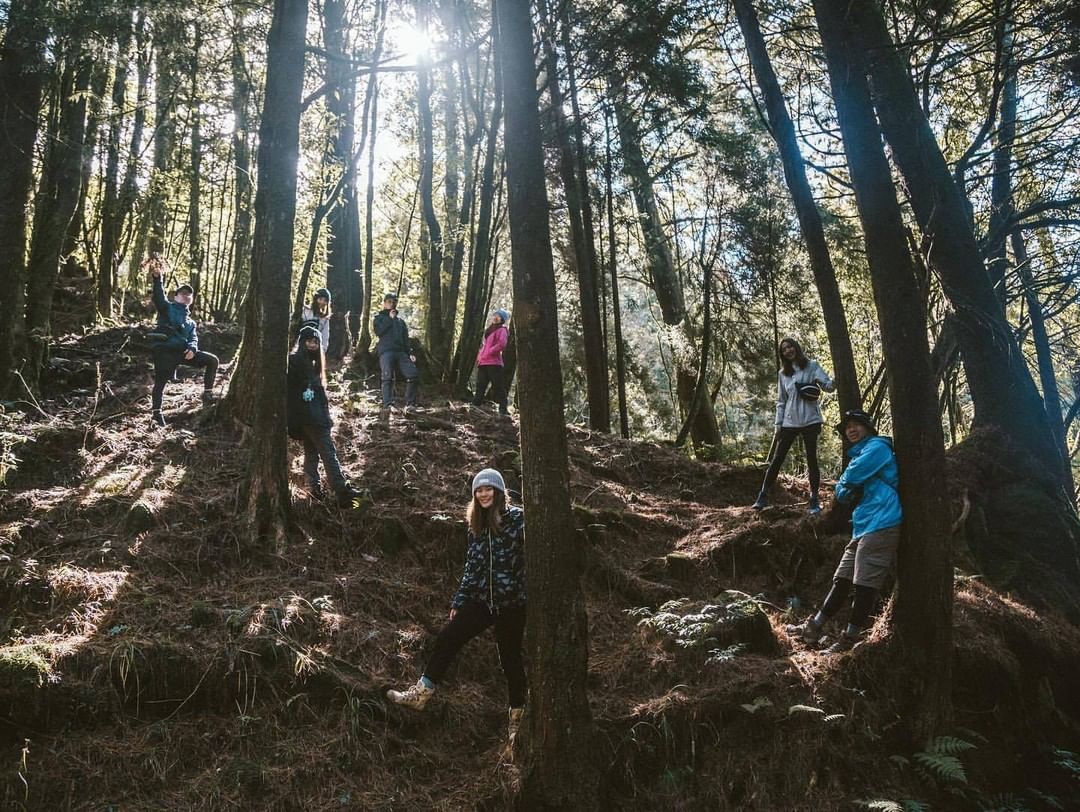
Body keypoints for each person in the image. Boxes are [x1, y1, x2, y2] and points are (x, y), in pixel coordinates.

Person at [386, 468, 526, 753]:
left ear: (499, 492)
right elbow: (471, 568)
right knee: (448, 637)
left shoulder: (518, 519)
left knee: (510, 660)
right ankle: (422, 693)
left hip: (511, 603)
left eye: (488, 489)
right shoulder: (475, 524)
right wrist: (459, 601)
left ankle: (517, 719)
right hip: (481, 602)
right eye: (479, 490)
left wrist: (523, 592)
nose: (483, 494)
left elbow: (530, 559)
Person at [785, 410, 902, 654]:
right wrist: (846, 486)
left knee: (864, 584)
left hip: (883, 521)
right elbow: (843, 493)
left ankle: (849, 639)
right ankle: (814, 626)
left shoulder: (878, 447)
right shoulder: (861, 453)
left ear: (868, 427)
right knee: (843, 578)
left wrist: (846, 482)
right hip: (863, 524)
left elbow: (851, 477)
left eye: (856, 424)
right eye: (847, 426)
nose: (851, 429)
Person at [752, 338, 836, 514]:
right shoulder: (783, 374)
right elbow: (781, 401)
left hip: (811, 420)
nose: (788, 350)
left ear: (796, 347)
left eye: (790, 346)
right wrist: (778, 424)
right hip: (790, 422)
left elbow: (828, 387)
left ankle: (814, 499)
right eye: (784, 349)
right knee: (778, 458)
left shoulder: (812, 366)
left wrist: (836, 378)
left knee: (812, 459)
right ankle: (762, 495)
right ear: (782, 354)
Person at [287, 324, 362, 505]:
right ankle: (342, 491)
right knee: (328, 452)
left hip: (314, 417)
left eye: (315, 342)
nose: (312, 345)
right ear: (302, 342)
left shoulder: (314, 366)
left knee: (312, 453)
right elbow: (293, 392)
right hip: (309, 417)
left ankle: (313, 489)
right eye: (309, 341)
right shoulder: (295, 362)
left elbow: (319, 395)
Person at [146, 256, 219, 427]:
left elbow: (193, 337)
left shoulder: (191, 322)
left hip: (183, 352)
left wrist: (193, 348)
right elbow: (158, 295)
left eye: (189, 294)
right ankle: (156, 413)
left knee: (212, 360)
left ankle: (207, 393)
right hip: (164, 350)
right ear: (176, 296)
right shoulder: (167, 308)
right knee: (161, 382)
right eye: (182, 293)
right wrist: (157, 278)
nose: (186, 296)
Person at [373, 292, 419, 416]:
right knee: (387, 377)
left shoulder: (400, 322)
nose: (391, 304)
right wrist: (389, 318)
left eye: (394, 302)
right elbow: (379, 331)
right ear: (384, 303)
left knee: (413, 374)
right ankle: (388, 404)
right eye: (389, 301)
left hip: (400, 352)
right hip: (386, 351)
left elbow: (406, 340)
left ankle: (410, 404)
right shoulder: (379, 318)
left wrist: (410, 353)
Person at [473, 308, 511, 415]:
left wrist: (490, 351)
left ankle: (503, 409)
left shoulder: (502, 330)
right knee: (480, 385)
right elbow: (484, 345)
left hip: (494, 363)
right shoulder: (489, 330)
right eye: (495, 315)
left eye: (498, 316)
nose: (496, 317)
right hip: (483, 362)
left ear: (502, 319)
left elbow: (502, 344)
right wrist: (480, 356)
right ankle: (475, 405)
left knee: (498, 386)